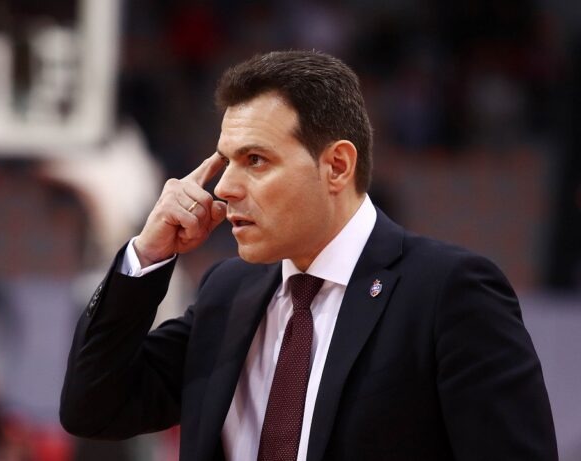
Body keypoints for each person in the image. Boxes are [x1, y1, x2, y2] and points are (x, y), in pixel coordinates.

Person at [59, 50, 557, 460]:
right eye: (226, 162)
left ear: (336, 166)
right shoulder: (227, 292)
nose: (225, 187)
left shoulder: (449, 292)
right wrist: (146, 256)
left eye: (255, 160)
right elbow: (94, 409)